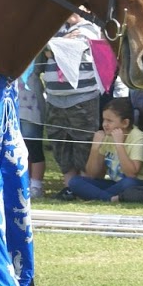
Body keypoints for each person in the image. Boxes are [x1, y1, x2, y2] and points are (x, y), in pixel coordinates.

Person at [39, 14, 105, 188]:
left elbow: (64, 48)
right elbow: (46, 50)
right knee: (60, 145)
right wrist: (55, 43)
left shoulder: (90, 27)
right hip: (54, 98)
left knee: (83, 145)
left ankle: (84, 188)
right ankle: (69, 188)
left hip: (82, 97)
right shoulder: (57, 27)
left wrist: (52, 43)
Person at [64, 97, 143, 201]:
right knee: (75, 181)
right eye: (104, 120)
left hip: (137, 184)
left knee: (128, 183)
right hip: (115, 184)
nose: (105, 124)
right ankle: (110, 199)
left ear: (125, 123)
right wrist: (95, 147)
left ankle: (99, 196)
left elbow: (131, 174)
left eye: (109, 121)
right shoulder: (107, 136)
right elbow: (93, 175)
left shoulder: (138, 137)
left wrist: (119, 144)